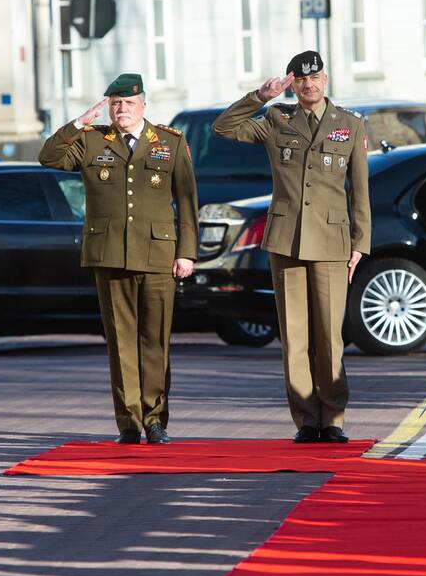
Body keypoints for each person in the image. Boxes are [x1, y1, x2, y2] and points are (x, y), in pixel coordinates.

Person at [213, 51, 370, 444]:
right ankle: (306, 420)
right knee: (295, 337)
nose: (308, 85)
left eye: (314, 78)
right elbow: (223, 128)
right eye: (300, 80)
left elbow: (360, 193)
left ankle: (332, 417)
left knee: (329, 337)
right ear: (293, 83)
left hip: (332, 243)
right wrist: (259, 96)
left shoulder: (349, 125)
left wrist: (360, 244)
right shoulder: (276, 119)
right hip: (287, 241)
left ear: (325, 79)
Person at [39, 73, 198, 444]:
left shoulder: (170, 143)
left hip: (158, 255)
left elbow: (188, 201)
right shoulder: (92, 141)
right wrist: (79, 123)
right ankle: (128, 422)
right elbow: (49, 156)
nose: (120, 109)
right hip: (110, 255)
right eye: (114, 103)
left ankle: (155, 419)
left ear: (143, 104)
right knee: (120, 342)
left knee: (155, 341)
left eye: (127, 103)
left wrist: (187, 253)